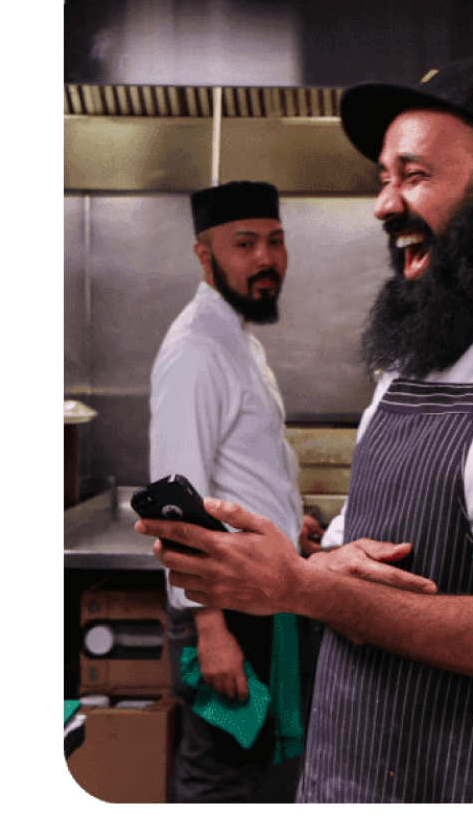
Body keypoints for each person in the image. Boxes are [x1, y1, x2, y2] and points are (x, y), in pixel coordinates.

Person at [138, 60, 473, 804]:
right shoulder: (418, 353)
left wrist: (298, 586)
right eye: (382, 180)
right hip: (352, 771)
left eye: (412, 176)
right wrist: (314, 560)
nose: (384, 206)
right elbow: (368, 550)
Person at [149, 180, 322, 803]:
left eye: (275, 242)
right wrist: (209, 629)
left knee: (267, 773)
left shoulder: (239, 339)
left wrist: (287, 524)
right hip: (223, 615)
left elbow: (242, 471)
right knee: (221, 776)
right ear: (205, 255)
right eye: (244, 244)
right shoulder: (198, 348)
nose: (265, 259)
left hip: (264, 600)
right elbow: (174, 500)